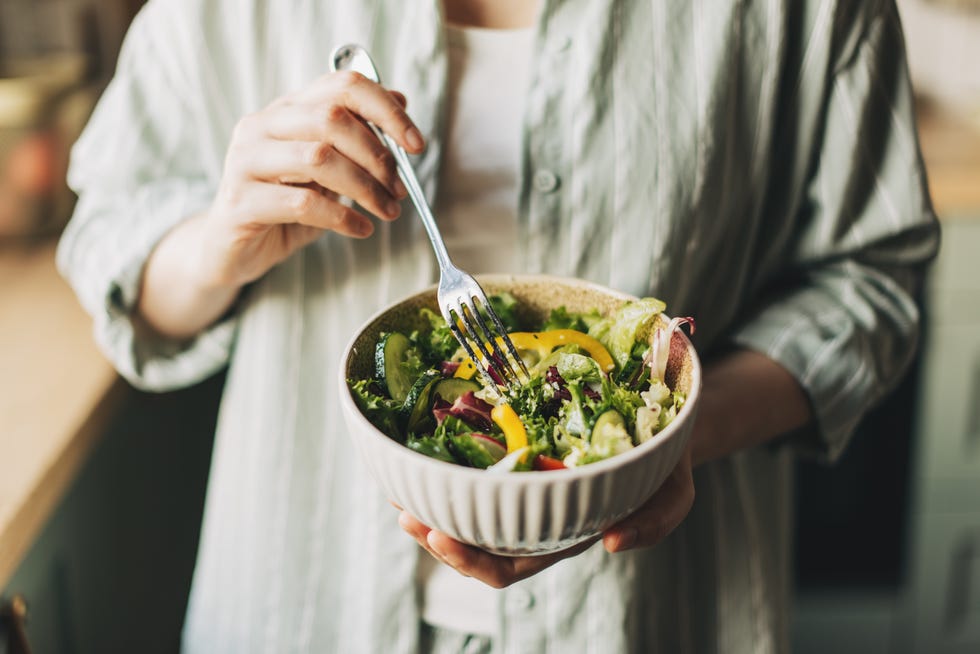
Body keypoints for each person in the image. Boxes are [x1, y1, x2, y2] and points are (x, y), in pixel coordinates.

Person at [57, 0, 939, 651]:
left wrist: (677, 437)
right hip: (302, 598)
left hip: (655, 611)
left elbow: (873, 282)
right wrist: (227, 241)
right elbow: (112, 251)